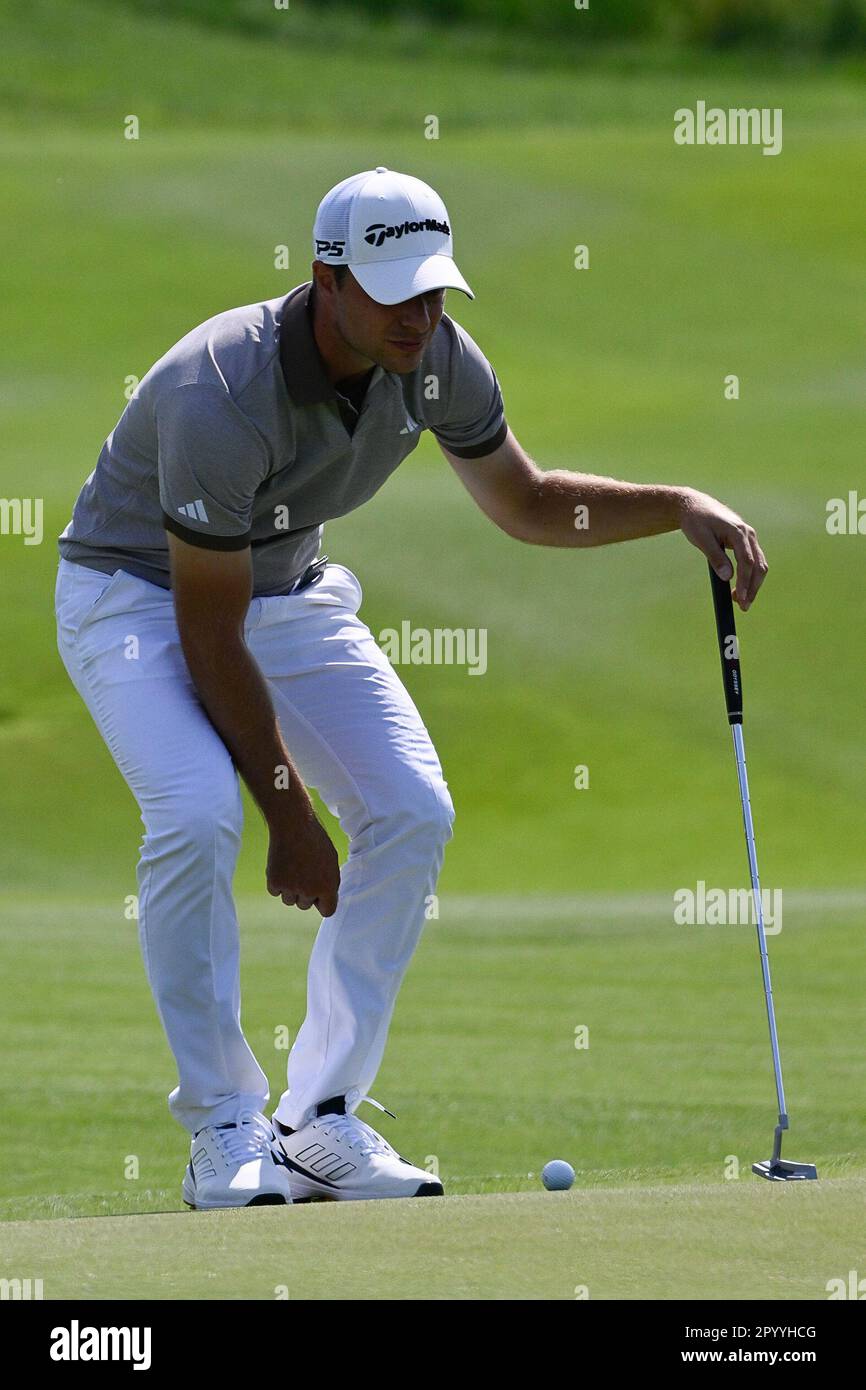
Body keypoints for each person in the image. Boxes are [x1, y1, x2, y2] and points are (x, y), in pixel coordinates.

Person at [55, 167, 767, 1209]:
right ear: (324, 280)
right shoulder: (221, 388)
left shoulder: (432, 359)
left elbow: (524, 501)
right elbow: (206, 632)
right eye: (394, 291)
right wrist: (290, 816)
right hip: (135, 598)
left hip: (281, 588)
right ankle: (221, 1126)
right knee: (200, 813)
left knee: (410, 808)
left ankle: (318, 1118)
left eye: (432, 290)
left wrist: (676, 507)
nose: (418, 316)